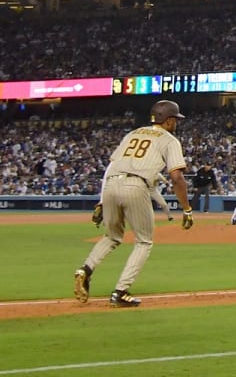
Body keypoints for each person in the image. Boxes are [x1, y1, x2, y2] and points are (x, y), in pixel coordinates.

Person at [73, 100, 194, 308]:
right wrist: (187, 209)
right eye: (175, 119)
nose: (176, 123)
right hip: (136, 185)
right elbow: (176, 177)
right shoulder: (169, 140)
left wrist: (102, 201)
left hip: (111, 184)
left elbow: (110, 168)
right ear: (168, 120)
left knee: (111, 236)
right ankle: (120, 291)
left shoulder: (133, 134)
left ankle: (86, 269)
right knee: (144, 241)